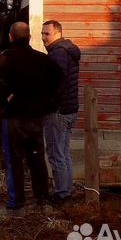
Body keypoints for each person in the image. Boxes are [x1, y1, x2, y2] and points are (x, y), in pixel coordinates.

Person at [0, 22, 62, 214]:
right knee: (37, 159)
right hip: (35, 119)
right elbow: (58, 81)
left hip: (14, 119)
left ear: (11, 37)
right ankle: (42, 200)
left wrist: (5, 104)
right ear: (30, 37)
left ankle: (17, 205)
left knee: (15, 161)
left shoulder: (7, 58)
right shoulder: (42, 60)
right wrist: (48, 106)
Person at [41, 19, 81, 204]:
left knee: (56, 154)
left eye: (47, 34)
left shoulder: (58, 54)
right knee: (64, 153)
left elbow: (55, 85)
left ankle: (62, 194)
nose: (43, 38)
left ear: (57, 33)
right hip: (70, 109)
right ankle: (67, 189)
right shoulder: (68, 50)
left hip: (58, 111)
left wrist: (47, 105)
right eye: (42, 34)